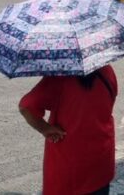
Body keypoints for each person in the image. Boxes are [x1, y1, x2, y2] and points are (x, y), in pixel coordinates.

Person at [18, 65, 118, 195]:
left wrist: (45, 129)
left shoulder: (60, 77)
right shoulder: (107, 71)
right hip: (101, 157)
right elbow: (110, 102)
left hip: (68, 163)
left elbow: (26, 106)